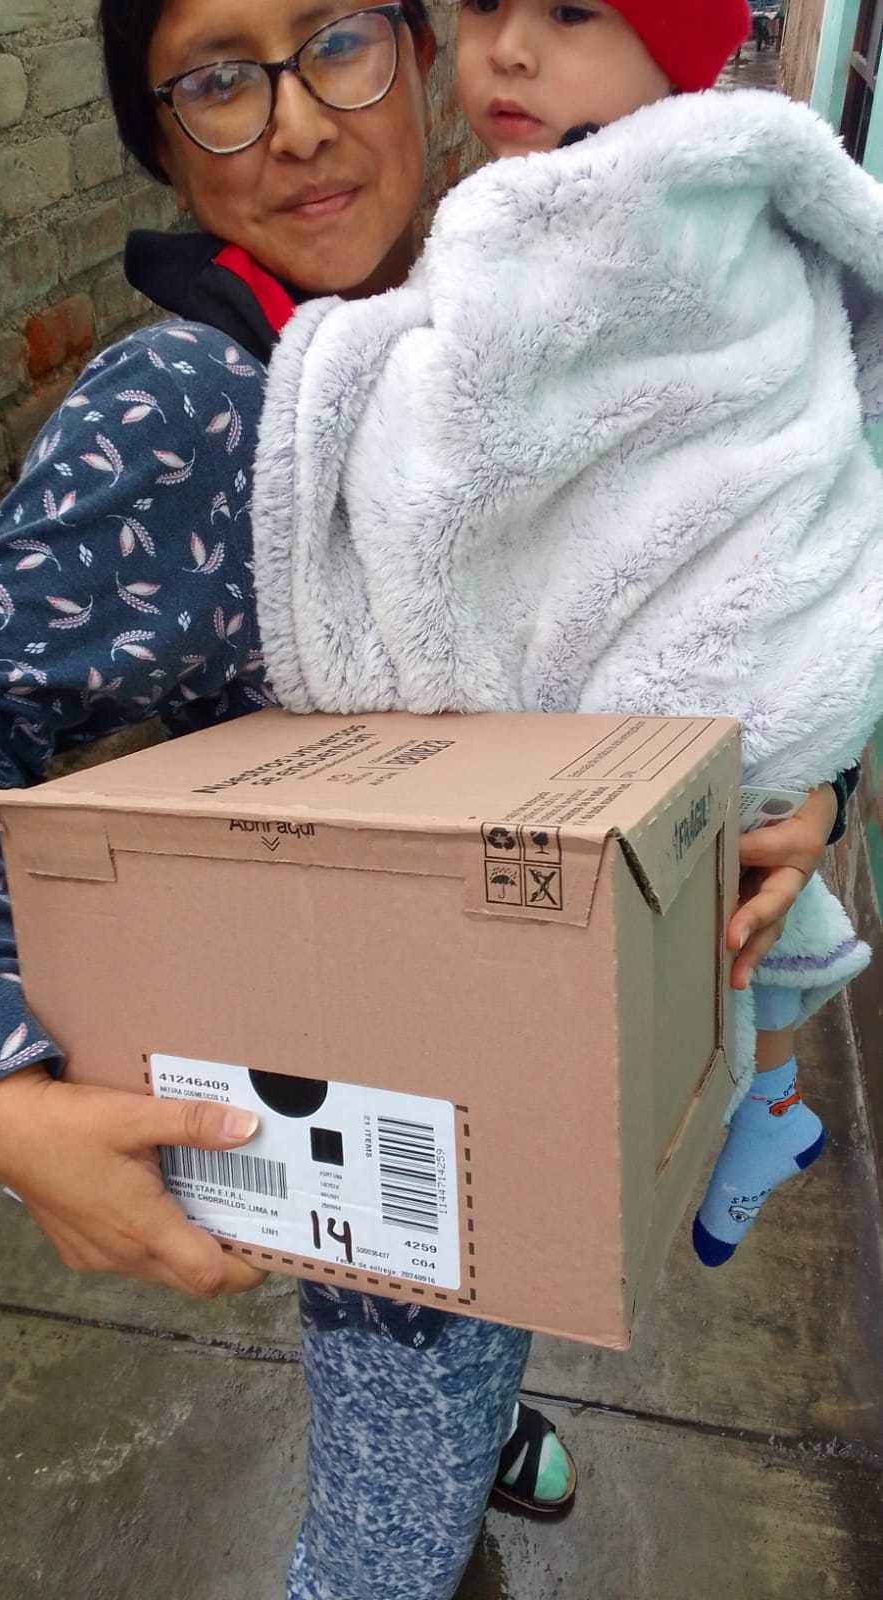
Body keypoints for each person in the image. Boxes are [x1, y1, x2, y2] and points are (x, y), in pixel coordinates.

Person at [0, 5, 860, 1598]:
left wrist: (810, 788)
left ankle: (489, 1411)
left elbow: (745, 560)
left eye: (336, 41)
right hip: (365, 1107)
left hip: (538, 1035)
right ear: (160, 140)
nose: (298, 122)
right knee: (388, 1533)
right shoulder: (191, 407)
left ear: (416, 53)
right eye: (217, 80)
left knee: (506, 1273)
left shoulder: (528, 314)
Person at [250, 0, 879, 1276]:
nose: (509, 49)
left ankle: (749, 1104)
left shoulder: (638, 211)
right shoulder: (589, 198)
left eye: (571, 11)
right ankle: (764, 1104)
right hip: (725, 685)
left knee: (710, 890)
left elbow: (483, 429)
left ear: (675, 52)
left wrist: (349, 365)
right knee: (722, 896)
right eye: (485, 5)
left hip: (737, 625)